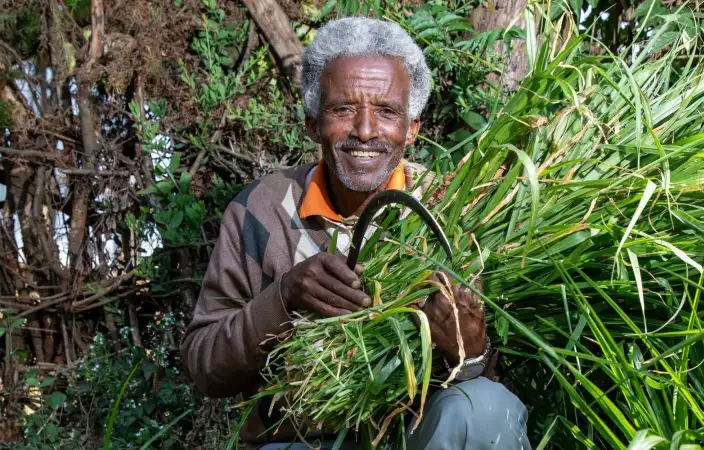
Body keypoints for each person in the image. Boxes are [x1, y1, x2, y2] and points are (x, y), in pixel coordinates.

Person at [181, 17, 531, 450]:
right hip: (303, 441)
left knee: (484, 410)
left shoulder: (451, 208)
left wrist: (470, 349)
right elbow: (204, 366)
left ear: (412, 128)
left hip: (420, 433)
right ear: (313, 125)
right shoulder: (260, 210)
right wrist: (283, 298)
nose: (365, 131)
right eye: (343, 109)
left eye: (386, 112)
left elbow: (490, 373)